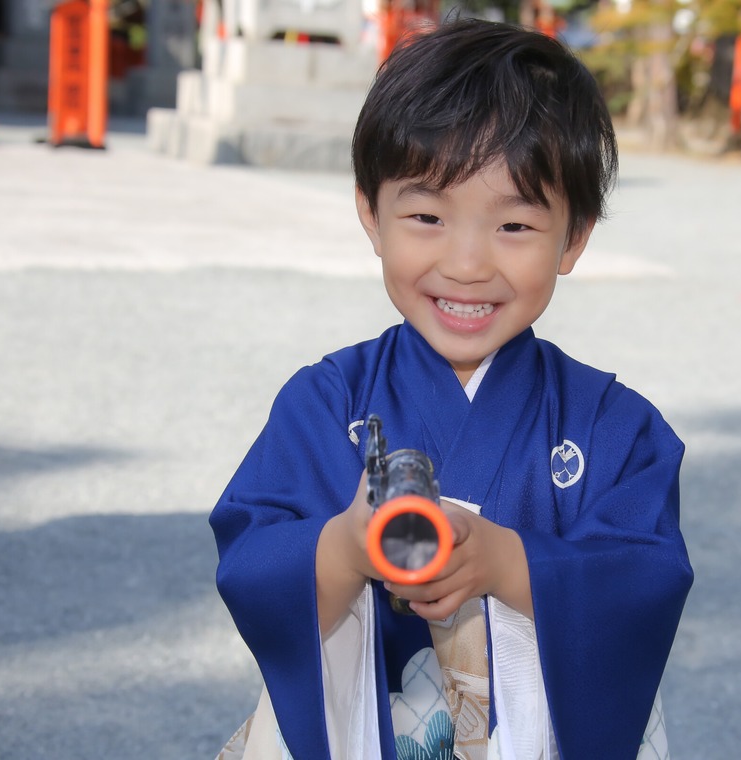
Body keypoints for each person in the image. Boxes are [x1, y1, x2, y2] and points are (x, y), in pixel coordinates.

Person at [210, 18, 693, 760]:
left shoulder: (614, 427)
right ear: (371, 213)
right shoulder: (326, 402)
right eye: (428, 217)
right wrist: (344, 546)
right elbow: (250, 564)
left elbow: (646, 580)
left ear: (575, 236)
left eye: (515, 226)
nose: (467, 264)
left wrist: (509, 564)